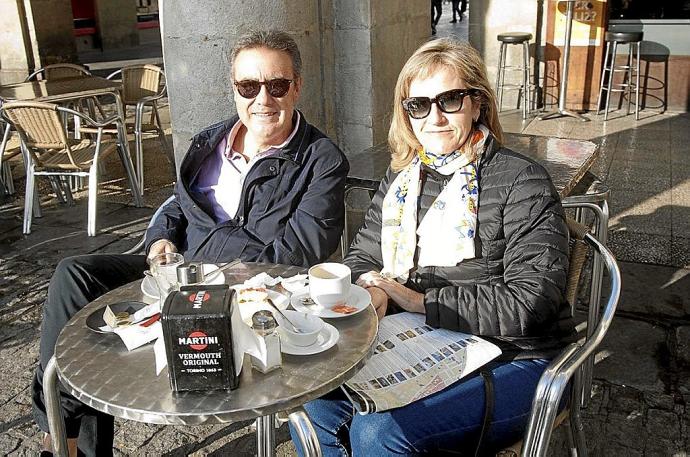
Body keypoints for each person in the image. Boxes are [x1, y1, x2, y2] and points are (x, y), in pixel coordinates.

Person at [32, 30, 349, 457]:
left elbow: (297, 252)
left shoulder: (321, 159)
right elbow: (178, 204)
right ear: (234, 88)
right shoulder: (210, 141)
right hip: (177, 274)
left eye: (277, 86)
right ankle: (65, 436)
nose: (263, 99)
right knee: (75, 274)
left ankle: (65, 437)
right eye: (248, 86)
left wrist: (211, 266)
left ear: (296, 87)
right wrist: (160, 238)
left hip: (244, 293)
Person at [291, 39, 572, 456]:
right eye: (418, 105)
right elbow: (366, 255)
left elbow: (530, 303)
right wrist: (366, 287)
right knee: (315, 398)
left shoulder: (521, 181)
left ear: (478, 104)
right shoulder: (403, 178)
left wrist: (419, 300)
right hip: (422, 341)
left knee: (378, 433)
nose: (434, 117)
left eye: (450, 100)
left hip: (518, 358)